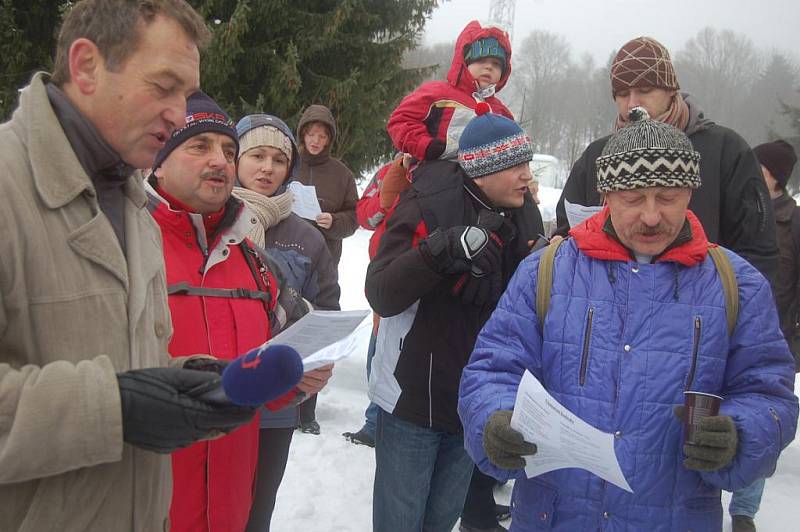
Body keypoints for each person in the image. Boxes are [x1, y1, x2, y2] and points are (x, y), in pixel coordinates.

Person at [459, 108, 799, 532]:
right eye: (634, 198)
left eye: (668, 197)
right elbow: (491, 370)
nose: (652, 216)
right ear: (606, 196)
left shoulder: (736, 285)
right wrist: (495, 417)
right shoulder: (545, 271)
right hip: (555, 517)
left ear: (690, 194)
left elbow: (769, 394)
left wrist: (741, 435)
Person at [0, 1, 262, 530]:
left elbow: (127, 358)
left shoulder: (134, 202)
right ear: (87, 66)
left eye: (186, 95)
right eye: (164, 87)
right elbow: (116, 397)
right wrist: (115, 407)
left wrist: (185, 383)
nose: (179, 114)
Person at [145, 93, 326, 531]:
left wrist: (294, 379)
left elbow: (259, 381)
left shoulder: (254, 261)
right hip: (152, 502)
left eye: (228, 150)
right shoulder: (125, 246)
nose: (221, 161)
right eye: (199, 146)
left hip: (231, 503)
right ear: (159, 161)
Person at [366, 104, 543, 532]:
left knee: (442, 520)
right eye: (515, 165)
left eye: (527, 163)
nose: (527, 175)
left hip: (473, 401)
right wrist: (440, 250)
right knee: (401, 521)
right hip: (412, 397)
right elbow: (381, 291)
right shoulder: (426, 202)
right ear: (483, 168)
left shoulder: (524, 213)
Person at [555, 36, 779, 282]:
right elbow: (567, 231)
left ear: (672, 90)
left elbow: (758, 252)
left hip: (700, 306)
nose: (632, 103)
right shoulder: (597, 155)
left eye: (645, 90)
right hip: (608, 306)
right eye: (622, 93)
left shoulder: (725, 150)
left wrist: (727, 307)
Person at [231, 113, 339, 532]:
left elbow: (327, 307)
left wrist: (316, 360)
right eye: (256, 155)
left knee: (258, 510)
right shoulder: (214, 219)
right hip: (215, 386)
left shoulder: (306, 236)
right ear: (235, 159)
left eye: (278, 159)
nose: (267, 168)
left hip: (277, 400)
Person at [726, 139, 799, 532]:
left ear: (775, 175)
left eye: (761, 165)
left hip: (779, 331)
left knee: (761, 416)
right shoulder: (740, 209)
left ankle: (744, 511)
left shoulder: (793, 219)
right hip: (733, 325)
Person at [294, 103, 358, 434]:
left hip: (323, 267)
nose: (316, 140)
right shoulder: (288, 163)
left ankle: (307, 410)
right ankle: (276, 399)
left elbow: (354, 217)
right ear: (302, 134)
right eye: (311, 133)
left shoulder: (341, 173)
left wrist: (334, 221)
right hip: (286, 262)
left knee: (317, 333)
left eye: (322, 135)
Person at [342, 155, 412, 448]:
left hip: (417, 274)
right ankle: (375, 422)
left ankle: (389, 425)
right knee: (377, 354)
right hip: (385, 275)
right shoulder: (389, 172)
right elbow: (362, 214)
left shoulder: (447, 173)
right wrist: (385, 202)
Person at [387, 20, 514, 162]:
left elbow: (514, 146)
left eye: (496, 64)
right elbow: (401, 119)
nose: (488, 67)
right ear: (465, 63)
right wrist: (426, 146)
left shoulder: (501, 112)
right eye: (481, 60)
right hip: (435, 164)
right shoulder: (438, 93)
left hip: (484, 175)